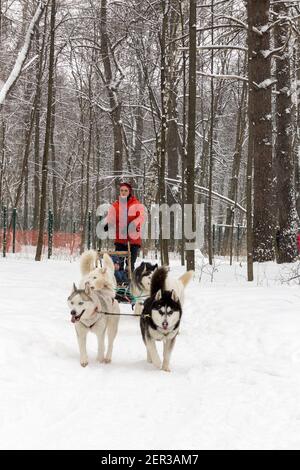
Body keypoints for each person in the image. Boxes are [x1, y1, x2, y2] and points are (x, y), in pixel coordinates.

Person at [105, 182, 145, 278]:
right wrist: (109, 224)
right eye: (122, 190)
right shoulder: (116, 205)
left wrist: (132, 225)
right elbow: (112, 218)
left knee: (130, 264)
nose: (123, 192)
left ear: (129, 192)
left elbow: (141, 217)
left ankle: (129, 284)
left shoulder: (136, 204)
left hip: (133, 240)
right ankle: (120, 285)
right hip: (120, 239)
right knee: (119, 264)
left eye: (126, 191)